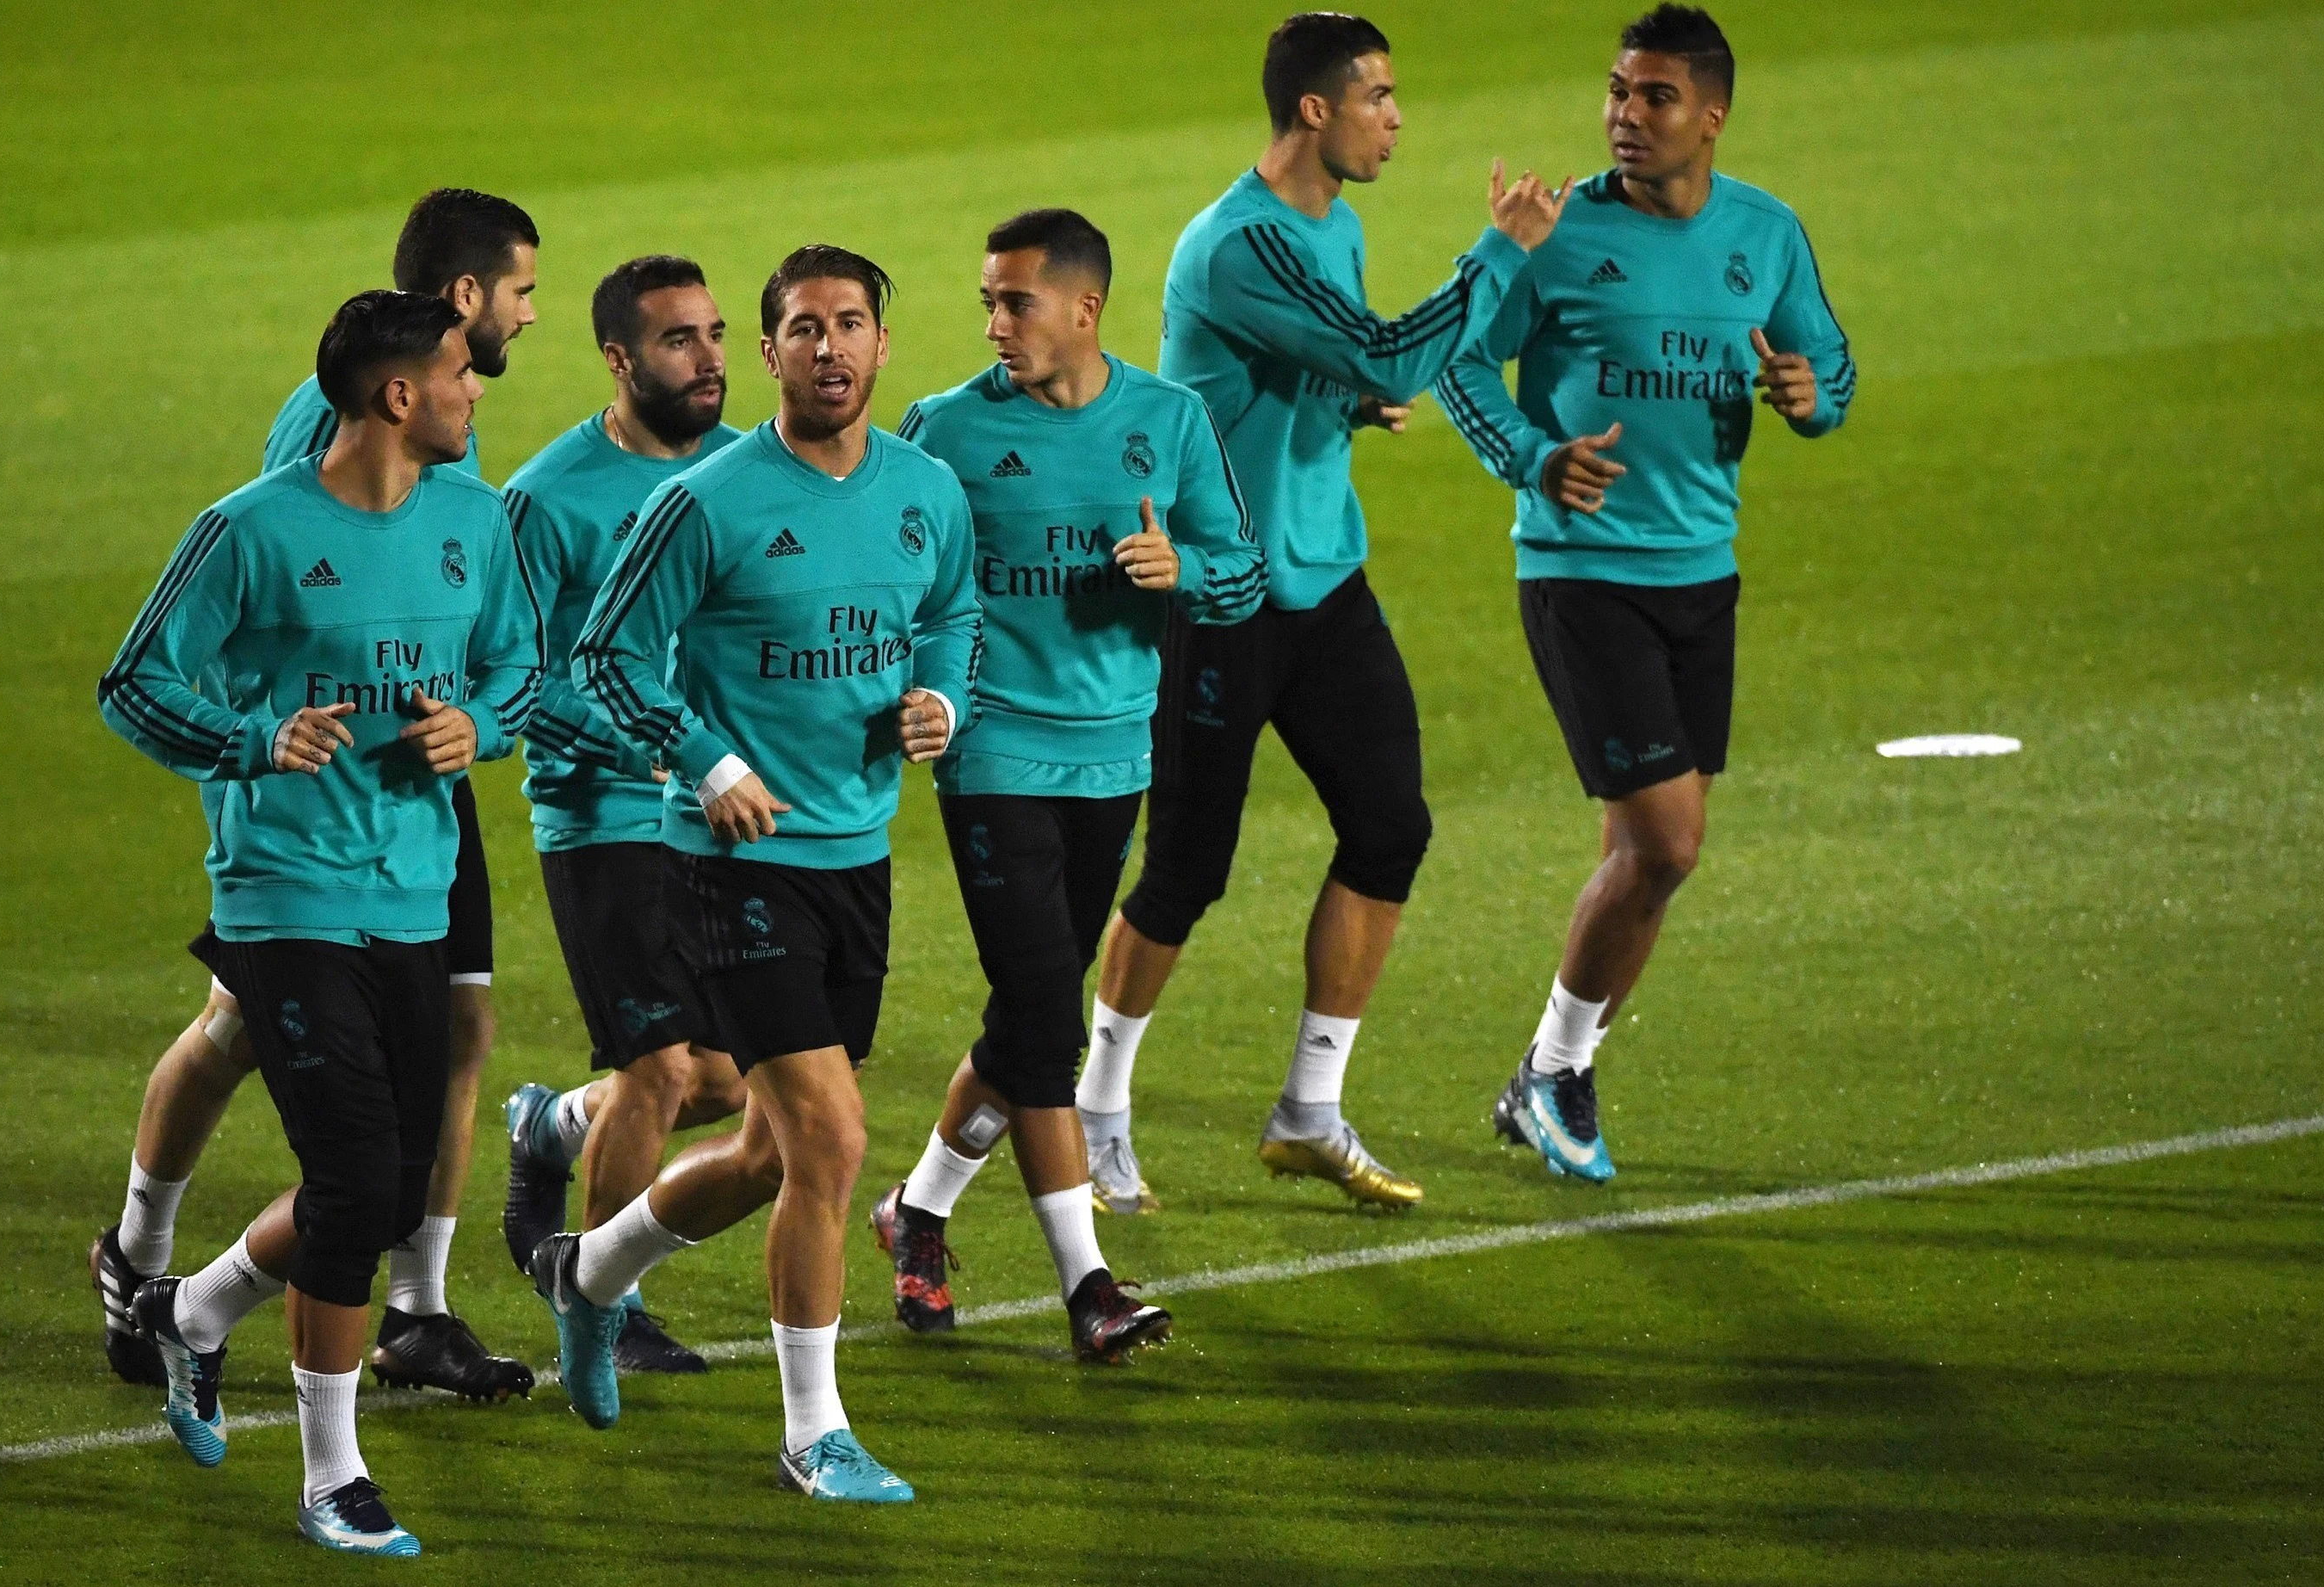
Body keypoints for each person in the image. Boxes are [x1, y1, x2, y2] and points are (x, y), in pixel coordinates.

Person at [1077, 12, 1569, 1212]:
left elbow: (1301, 374)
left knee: (1389, 825)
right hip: (1222, 593)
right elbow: (1391, 353)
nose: (1396, 119)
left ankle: (1307, 1108)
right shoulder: (1236, 245)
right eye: (1379, 98)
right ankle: (1092, 1114)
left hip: (1321, 580)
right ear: (1314, 110)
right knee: (1186, 867)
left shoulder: (1330, 225)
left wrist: (1339, 409)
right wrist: (1494, 256)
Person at [536, 244, 979, 1503]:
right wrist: (705, 757)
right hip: (729, 867)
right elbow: (608, 657)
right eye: (801, 328)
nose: (828, 347)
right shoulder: (711, 499)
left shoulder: (925, 490)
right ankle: (811, 1431)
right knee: (834, 1142)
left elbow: (952, 612)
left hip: (855, 857)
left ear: (883, 348)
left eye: (850, 326)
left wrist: (941, 692)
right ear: (770, 353)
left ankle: (588, 1274)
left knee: (769, 1157)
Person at [101, 290, 540, 1553]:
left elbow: (521, 665)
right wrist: (249, 739)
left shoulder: (475, 522)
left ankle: (192, 1310)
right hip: (285, 897)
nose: (477, 389)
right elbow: (134, 681)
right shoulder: (250, 531)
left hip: (412, 890)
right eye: (464, 371)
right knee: (353, 1177)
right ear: (399, 395)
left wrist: (482, 726)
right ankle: (330, 1477)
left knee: (388, 1192)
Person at [1432, 4, 1853, 1180]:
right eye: (1616, 92)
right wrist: (1529, 459)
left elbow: (1834, 368)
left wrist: (1804, 395)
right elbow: (1457, 359)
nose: (1625, 116)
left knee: (1648, 855)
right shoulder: (1560, 237)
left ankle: (1546, 1076)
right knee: (1665, 847)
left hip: (1700, 574)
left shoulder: (1764, 235)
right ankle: (1557, 1071)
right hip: (1580, 573)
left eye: (1653, 97)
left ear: (1711, 115)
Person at [868, 207, 1261, 1358]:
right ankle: (1087, 1283)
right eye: (988, 300)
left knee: (1026, 1020)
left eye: (1017, 301)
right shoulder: (941, 431)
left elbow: (1242, 574)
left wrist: (1180, 569)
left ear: (1085, 310)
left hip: (1112, 758)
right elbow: (896, 579)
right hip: (988, 754)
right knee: (1046, 1012)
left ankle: (918, 1212)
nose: (995, 322)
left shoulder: (1170, 423)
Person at [492, 254, 754, 1376]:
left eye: (714, 335)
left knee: (728, 1081)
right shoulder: (548, 499)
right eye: (677, 342)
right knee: (658, 1073)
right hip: (603, 819)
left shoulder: (749, 473)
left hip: (724, 819)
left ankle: (551, 1129)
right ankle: (601, 1299)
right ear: (617, 359)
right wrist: (654, 744)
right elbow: (509, 682)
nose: (707, 361)